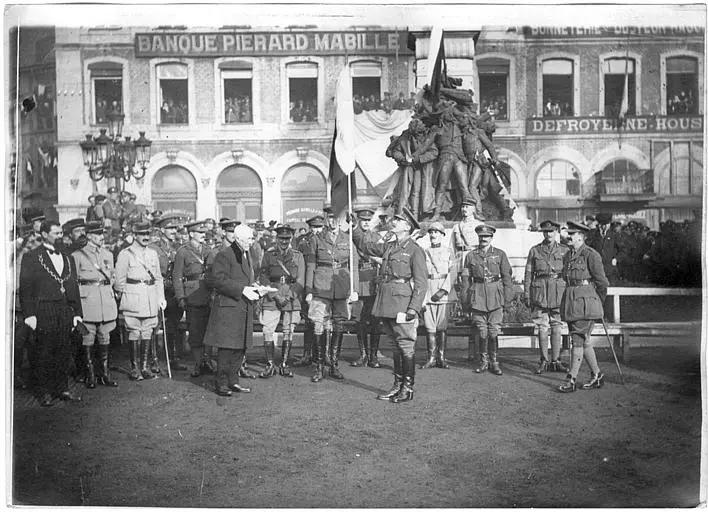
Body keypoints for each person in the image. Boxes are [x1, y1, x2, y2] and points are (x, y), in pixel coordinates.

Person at [352, 207, 427, 403]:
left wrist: (413, 309)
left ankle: (408, 388)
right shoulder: (391, 246)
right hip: (387, 301)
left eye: (399, 221)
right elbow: (366, 246)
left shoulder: (414, 250)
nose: (394, 222)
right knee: (395, 345)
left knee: (405, 345)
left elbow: (421, 283)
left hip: (402, 302)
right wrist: (354, 228)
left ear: (407, 227)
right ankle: (397, 385)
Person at [20, 219, 84, 406]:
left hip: (64, 309)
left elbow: (72, 286)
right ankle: (44, 391)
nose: (60, 237)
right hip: (43, 309)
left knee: (63, 351)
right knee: (44, 352)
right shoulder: (32, 257)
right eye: (56, 233)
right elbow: (26, 288)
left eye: (61, 233)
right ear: (45, 234)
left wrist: (77, 312)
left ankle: (62, 388)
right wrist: (30, 314)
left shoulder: (67, 257)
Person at [203, 224, 261, 396]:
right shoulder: (224, 255)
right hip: (229, 307)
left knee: (240, 346)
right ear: (238, 239)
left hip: (242, 306)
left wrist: (255, 287)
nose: (252, 242)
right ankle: (221, 383)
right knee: (227, 348)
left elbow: (244, 277)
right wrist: (242, 289)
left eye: (252, 238)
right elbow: (218, 280)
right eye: (249, 239)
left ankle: (233, 381)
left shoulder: (246, 252)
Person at [305, 209, 359, 383]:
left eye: (336, 218)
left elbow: (354, 267)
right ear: (326, 219)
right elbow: (310, 266)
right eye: (330, 217)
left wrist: (354, 289)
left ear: (341, 220)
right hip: (321, 286)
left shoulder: (347, 239)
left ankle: (334, 365)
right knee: (319, 324)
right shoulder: (317, 239)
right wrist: (308, 290)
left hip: (341, 286)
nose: (333, 221)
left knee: (339, 324)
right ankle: (320, 366)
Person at [558, 221, 609, 393]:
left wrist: (597, 302)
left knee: (577, 340)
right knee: (584, 340)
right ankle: (597, 375)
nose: (568, 236)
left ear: (581, 237)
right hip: (572, 301)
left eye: (571, 234)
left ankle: (571, 379)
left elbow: (602, 283)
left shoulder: (591, 254)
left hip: (586, 302)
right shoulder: (568, 255)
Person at [114, 221, 166, 381]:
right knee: (134, 330)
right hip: (134, 296)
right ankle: (135, 368)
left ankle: (144, 367)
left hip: (150, 296)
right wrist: (126, 297)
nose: (145, 237)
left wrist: (161, 297)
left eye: (147, 234)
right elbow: (119, 281)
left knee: (148, 330)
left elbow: (158, 278)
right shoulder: (125, 254)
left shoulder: (152, 254)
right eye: (142, 234)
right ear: (135, 235)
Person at [460, 224, 513, 376]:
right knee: (482, 331)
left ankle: (494, 362)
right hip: (478, 296)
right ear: (478, 237)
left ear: (491, 238)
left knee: (493, 330)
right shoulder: (470, 256)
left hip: (495, 296)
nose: (484, 239)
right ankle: (483, 361)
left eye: (487, 236)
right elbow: (465, 280)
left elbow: (507, 279)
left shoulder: (500, 254)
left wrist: (507, 300)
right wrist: (465, 301)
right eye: (481, 236)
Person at [71, 221, 119, 388]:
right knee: (88, 337)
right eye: (97, 234)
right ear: (89, 235)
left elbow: (112, 276)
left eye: (102, 233)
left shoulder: (108, 254)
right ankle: (90, 375)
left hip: (105, 300)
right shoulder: (77, 256)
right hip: (88, 302)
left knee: (105, 336)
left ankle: (105, 374)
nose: (101, 237)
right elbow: (73, 282)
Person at [257, 225, 305, 378]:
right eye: (281, 238)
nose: (284, 241)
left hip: (291, 297)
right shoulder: (268, 255)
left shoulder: (298, 256)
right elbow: (263, 276)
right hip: (272, 295)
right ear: (276, 238)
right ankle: (270, 364)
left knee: (288, 330)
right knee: (267, 330)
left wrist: (290, 296)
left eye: (287, 238)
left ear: (291, 239)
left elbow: (301, 279)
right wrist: (275, 295)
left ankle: (284, 364)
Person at [523, 220, 569, 374]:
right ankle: (544, 360)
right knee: (542, 327)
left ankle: (556, 361)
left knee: (557, 326)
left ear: (556, 232)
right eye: (546, 231)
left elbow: (569, 274)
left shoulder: (564, 251)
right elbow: (528, 274)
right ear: (542, 233)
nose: (548, 234)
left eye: (551, 231)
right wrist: (527, 294)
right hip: (540, 291)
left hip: (558, 291)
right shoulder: (535, 251)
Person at [173, 221, 213, 377]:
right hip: (192, 296)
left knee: (209, 330)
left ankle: (207, 362)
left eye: (204, 232)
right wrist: (180, 297)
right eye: (200, 232)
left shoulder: (208, 251)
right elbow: (177, 277)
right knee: (195, 332)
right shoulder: (183, 252)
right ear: (191, 234)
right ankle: (198, 364)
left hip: (208, 294)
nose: (203, 235)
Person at [149, 216, 187, 372]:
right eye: (170, 229)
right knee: (155, 325)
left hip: (173, 292)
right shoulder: (153, 248)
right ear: (161, 230)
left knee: (173, 325)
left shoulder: (179, 247)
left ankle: (172, 358)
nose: (173, 232)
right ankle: (153, 360)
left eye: (175, 229)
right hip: (158, 290)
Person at [420, 222, 457, 369]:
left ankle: (441, 358)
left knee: (442, 326)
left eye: (436, 232)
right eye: (431, 232)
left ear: (442, 235)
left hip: (443, 292)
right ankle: (431, 358)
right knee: (429, 327)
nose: (433, 235)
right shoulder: (424, 252)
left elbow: (453, 272)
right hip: (428, 292)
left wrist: (443, 290)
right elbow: (421, 273)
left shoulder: (448, 252)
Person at [350, 207, 382, 368]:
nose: (366, 223)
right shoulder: (351, 238)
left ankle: (373, 355)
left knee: (375, 321)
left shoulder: (377, 237)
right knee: (360, 321)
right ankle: (362, 354)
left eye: (368, 221)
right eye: (363, 220)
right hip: (358, 283)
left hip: (373, 283)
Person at [292, 215, 325, 367]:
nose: (317, 230)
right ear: (310, 227)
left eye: (319, 227)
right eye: (314, 227)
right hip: (306, 285)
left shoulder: (327, 239)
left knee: (323, 320)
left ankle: (322, 355)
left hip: (322, 285)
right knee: (308, 321)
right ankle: (307, 354)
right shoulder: (301, 241)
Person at [587, 212, 623, 289]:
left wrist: (616, 259)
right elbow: (588, 248)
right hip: (596, 270)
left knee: (611, 291)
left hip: (610, 270)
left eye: (605, 225)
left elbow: (623, 250)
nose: (603, 227)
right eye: (601, 225)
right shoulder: (594, 235)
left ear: (609, 224)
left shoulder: (615, 235)